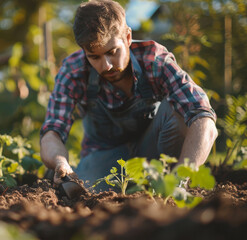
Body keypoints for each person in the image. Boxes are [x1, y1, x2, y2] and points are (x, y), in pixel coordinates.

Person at [40, 0, 218, 190]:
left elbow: (202, 117)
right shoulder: (73, 70)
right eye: (95, 57)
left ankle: (167, 184)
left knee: (179, 111)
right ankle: (66, 175)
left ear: (127, 37)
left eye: (112, 52)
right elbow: (53, 131)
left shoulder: (154, 60)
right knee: (81, 189)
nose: (106, 65)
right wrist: (60, 163)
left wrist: (182, 179)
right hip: (106, 160)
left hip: (155, 153)